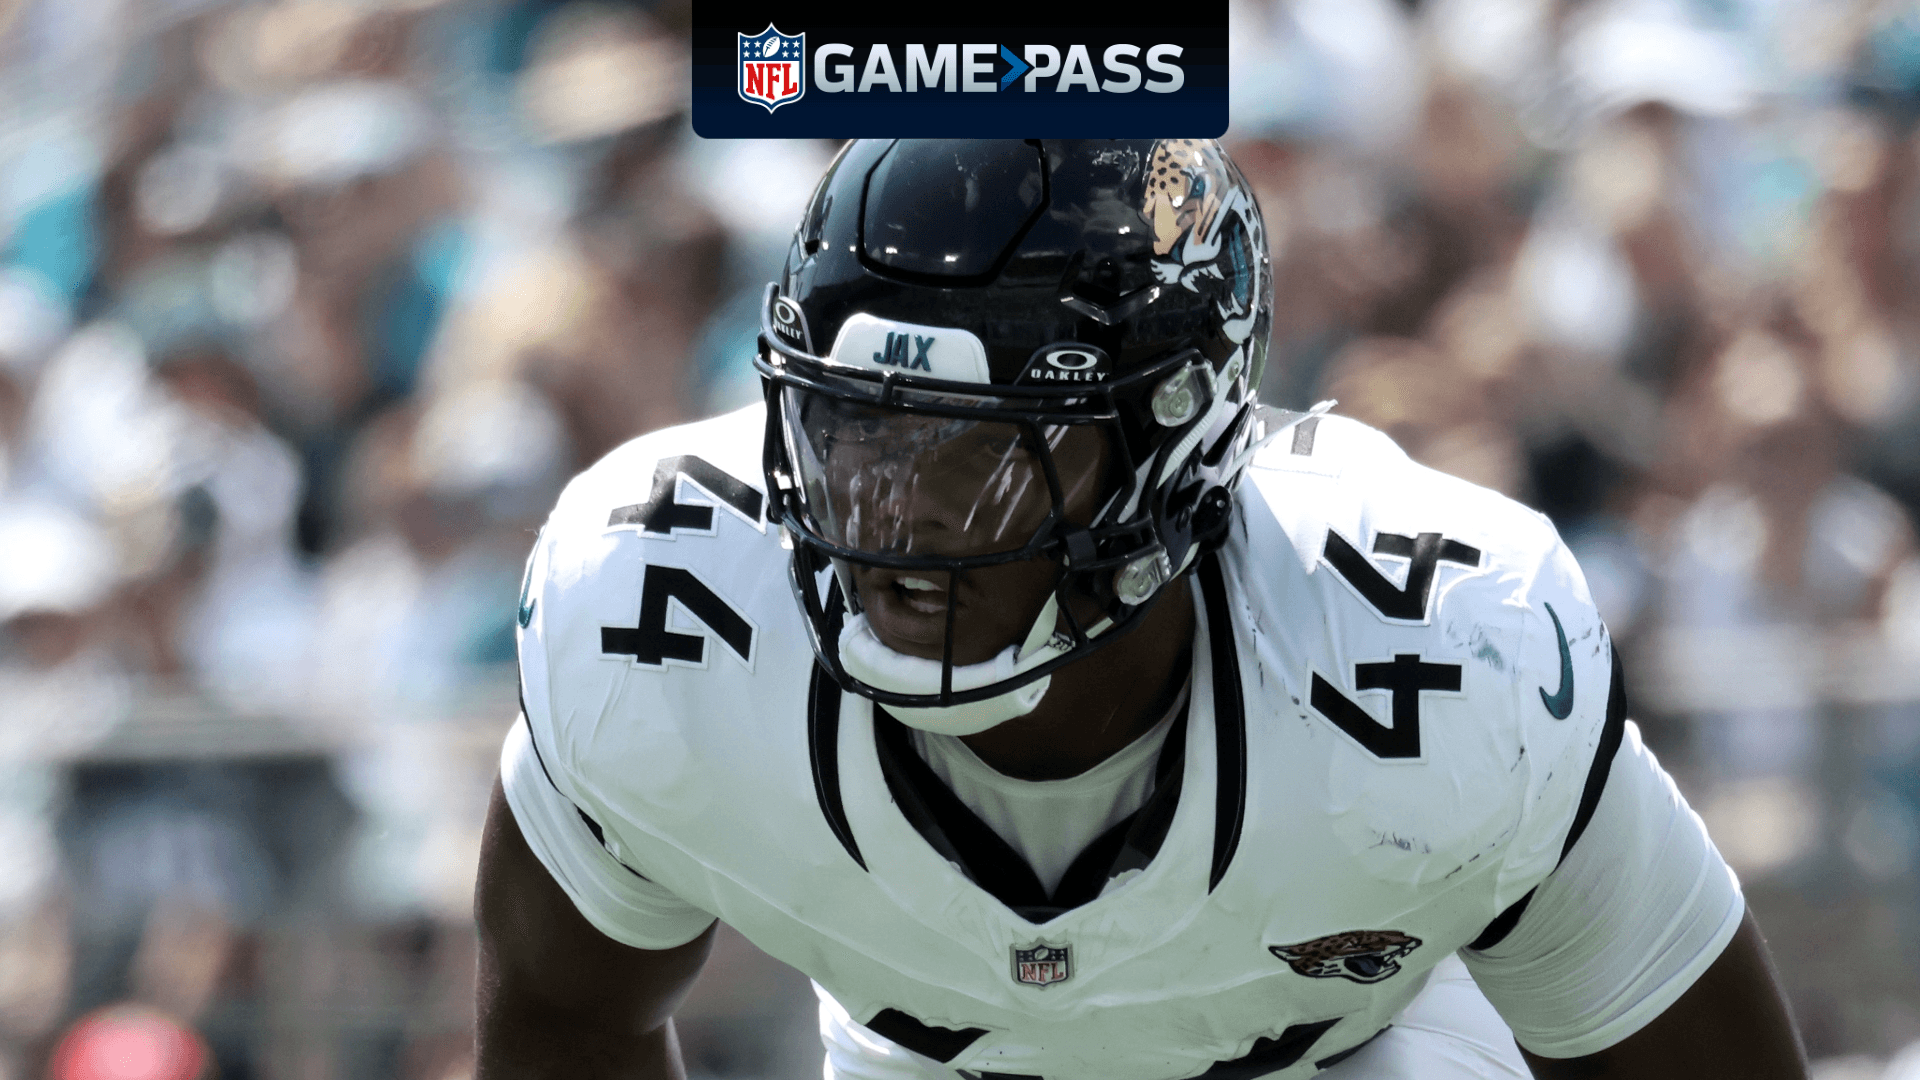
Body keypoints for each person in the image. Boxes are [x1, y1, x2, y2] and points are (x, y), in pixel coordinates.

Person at [474, 140, 1805, 1080]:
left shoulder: (1436, 652)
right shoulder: (657, 606)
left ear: (1175, 444)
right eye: (856, 437)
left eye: (978, 458)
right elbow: (562, 1022)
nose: (893, 526)